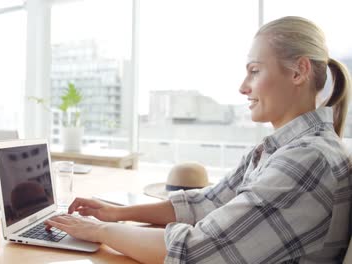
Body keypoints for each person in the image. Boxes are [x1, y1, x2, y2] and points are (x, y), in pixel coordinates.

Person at [45, 16, 352, 263]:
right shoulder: (277, 150)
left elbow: (196, 250)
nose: (243, 86)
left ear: (299, 71)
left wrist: (100, 231)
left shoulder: (307, 160)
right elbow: (208, 202)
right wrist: (117, 213)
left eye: (254, 71)